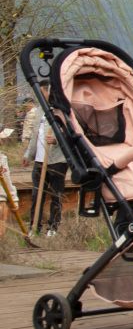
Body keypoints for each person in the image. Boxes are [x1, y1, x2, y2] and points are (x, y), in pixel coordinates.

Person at [22, 88, 68, 236]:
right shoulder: (39, 112)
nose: (42, 94)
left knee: (56, 194)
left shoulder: (62, 112)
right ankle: (34, 227)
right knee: (37, 195)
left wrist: (57, 139)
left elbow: (71, 136)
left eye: (44, 91)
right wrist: (28, 155)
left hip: (57, 161)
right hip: (40, 161)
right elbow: (35, 135)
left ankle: (53, 228)